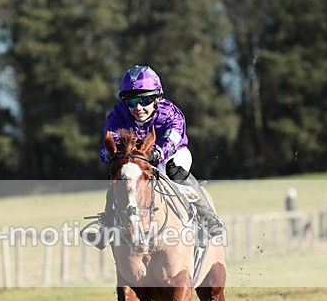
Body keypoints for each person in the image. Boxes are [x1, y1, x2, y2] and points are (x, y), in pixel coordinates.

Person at [84, 65, 223, 249]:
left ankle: (208, 218)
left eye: (145, 100)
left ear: (157, 98)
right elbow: (111, 138)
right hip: (136, 158)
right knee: (121, 178)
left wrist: (156, 153)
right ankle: (107, 224)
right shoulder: (117, 114)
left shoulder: (171, 112)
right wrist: (111, 154)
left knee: (172, 170)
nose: (138, 107)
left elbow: (174, 137)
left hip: (172, 154)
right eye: (132, 101)